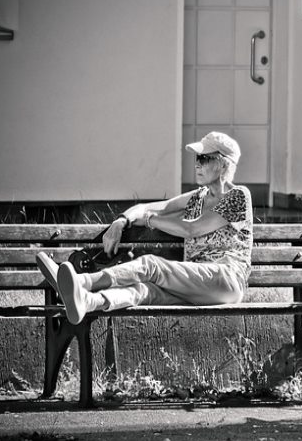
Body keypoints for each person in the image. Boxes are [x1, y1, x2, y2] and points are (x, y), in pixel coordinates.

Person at [36, 131, 253, 325]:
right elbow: (145, 207)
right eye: (197, 158)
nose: (196, 164)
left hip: (227, 280)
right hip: (197, 286)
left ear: (224, 164)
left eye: (204, 158)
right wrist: (121, 221)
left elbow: (192, 229)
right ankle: (88, 301)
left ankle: (81, 282)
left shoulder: (238, 196)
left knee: (151, 265)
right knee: (145, 291)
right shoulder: (198, 197)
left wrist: (150, 220)